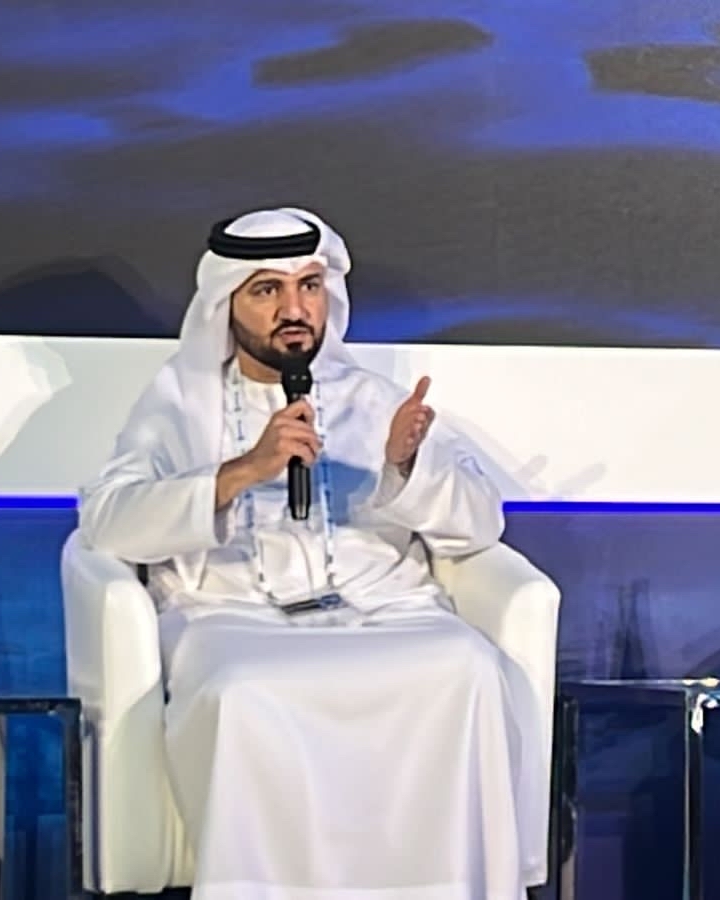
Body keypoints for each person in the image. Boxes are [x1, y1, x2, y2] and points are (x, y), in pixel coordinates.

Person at [77, 207, 534, 900]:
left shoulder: (375, 401)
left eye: (310, 287)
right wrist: (242, 471)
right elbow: (107, 522)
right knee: (243, 690)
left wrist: (407, 469)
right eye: (268, 290)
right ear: (227, 305)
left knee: (466, 666)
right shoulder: (178, 404)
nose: (295, 310)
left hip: (385, 609)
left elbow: (481, 525)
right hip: (231, 616)